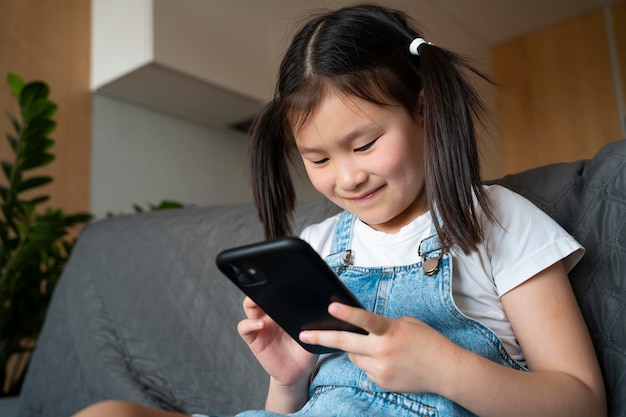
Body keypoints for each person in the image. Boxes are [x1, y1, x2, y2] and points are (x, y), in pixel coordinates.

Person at [74, 4, 606, 417]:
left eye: (366, 143)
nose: (347, 177)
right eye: (319, 158)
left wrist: (448, 369)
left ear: (422, 111)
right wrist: (287, 379)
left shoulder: (495, 218)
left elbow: (582, 402)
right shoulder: (323, 243)